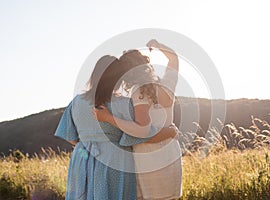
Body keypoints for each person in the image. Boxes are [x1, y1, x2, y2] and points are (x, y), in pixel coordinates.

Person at [54, 54, 178, 200]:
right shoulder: (123, 104)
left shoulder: (75, 102)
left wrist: (87, 144)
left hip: (81, 160)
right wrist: (169, 132)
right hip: (114, 160)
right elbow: (142, 134)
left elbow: (69, 136)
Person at [94, 40, 182, 200]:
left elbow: (143, 131)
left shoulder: (139, 91)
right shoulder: (167, 85)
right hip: (171, 153)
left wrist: (107, 117)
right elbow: (174, 58)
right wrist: (157, 44)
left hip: (150, 157)